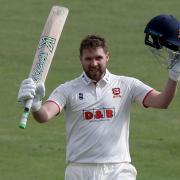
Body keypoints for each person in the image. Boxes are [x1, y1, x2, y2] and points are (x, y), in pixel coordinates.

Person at [18, 15, 180, 180]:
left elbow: (162, 101)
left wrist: (174, 76)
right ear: (80, 59)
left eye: (98, 58)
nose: (93, 63)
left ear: (107, 57)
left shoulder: (126, 85)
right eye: (88, 59)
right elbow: (44, 116)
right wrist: (36, 105)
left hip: (118, 169)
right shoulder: (67, 89)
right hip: (79, 170)